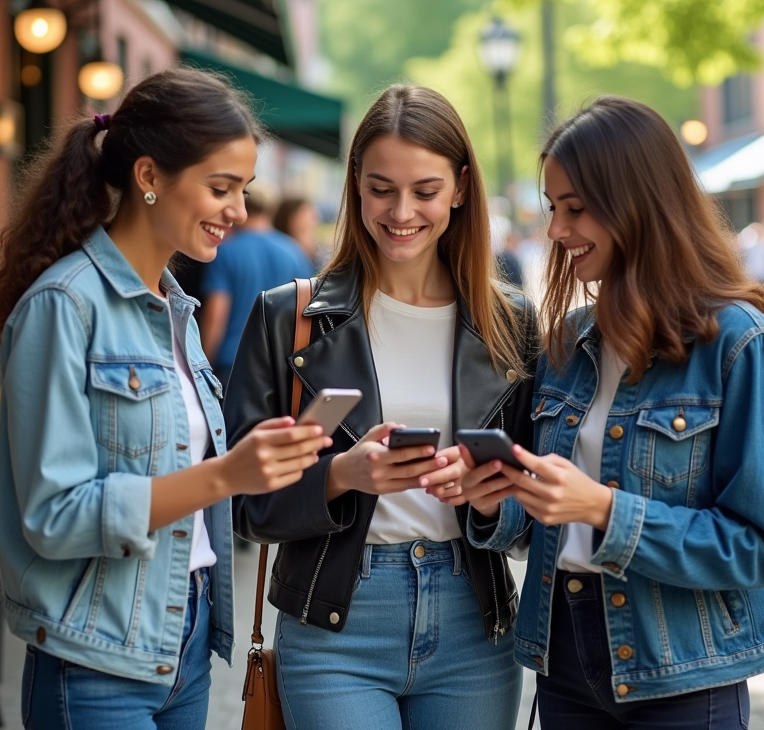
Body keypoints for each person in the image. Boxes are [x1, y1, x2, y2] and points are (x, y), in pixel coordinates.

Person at [0, 68, 331, 729]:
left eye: (243, 190)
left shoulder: (176, 311)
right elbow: (53, 515)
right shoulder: (64, 305)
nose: (239, 212)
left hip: (184, 641)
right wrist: (225, 474)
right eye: (221, 188)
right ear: (149, 176)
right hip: (96, 655)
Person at [459, 96, 764, 729]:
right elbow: (545, 525)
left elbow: (758, 549)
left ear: (637, 205)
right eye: (553, 209)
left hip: (678, 672)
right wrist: (493, 502)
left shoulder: (739, 347)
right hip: (562, 656)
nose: (557, 232)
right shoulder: (566, 342)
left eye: (576, 210)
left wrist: (603, 509)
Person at [224, 84, 539, 730]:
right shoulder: (289, 318)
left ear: (460, 187)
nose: (401, 212)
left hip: (474, 623)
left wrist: (486, 499)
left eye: (424, 191)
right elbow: (241, 502)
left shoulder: (514, 326)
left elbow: (536, 513)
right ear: (354, 185)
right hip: (337, 622)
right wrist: (342, 477)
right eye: (380, 188)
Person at [200, 191, 314, 384]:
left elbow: (215, 316)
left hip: (232, 365)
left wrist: (201, 368)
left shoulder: (225, 251)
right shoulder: (295, 252)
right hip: (280, 365)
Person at [274, 196, 324, 267]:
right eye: (308, 212)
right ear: (293, 218)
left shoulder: (315, 249)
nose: (316, 218)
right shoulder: (283, 250)